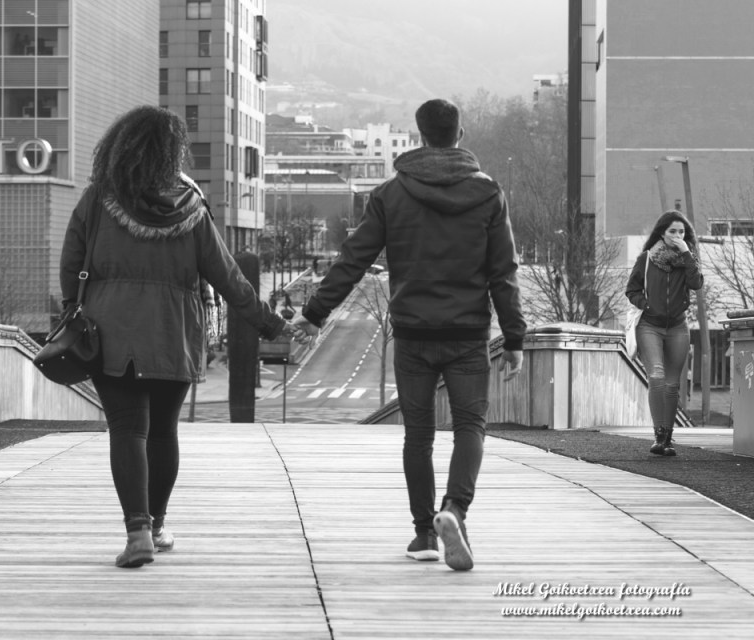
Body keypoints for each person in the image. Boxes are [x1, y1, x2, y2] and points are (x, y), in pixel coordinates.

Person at [60, 105, 302, 568]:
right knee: (163, 432)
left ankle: (137, 533)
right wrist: (271, 324)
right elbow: (230, 279)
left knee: (128, 430)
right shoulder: (192, 208)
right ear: (173, 151)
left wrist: (77, 311)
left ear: (120, 144)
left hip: (110, 333)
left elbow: (71, 263)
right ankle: (156, 523)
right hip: (175, 333)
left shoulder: (98, 199)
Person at [290, 98, 525, 571]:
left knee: (417, 437)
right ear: (460, 135)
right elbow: (504, 272)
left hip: (414, 333)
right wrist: (514, 336)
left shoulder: (391, 195)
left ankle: (423, 533)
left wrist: (315, 314)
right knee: (469, 428)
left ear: (420, 136)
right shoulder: (488, 194)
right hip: (467, 333)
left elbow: (353, 260)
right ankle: (453, 510)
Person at [626, 210, 704, 457]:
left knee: (672, 384)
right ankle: (658, 435)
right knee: (657, 376)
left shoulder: (687, 260)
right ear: (662, 232)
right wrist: (647, 305)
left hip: (678, 328)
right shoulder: (646, 259)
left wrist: (687, 254)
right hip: (650, 325)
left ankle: (668, 438)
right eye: (672, 231)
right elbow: (632, 290)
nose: (677, 235)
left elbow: (696, 284)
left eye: (681, 232)